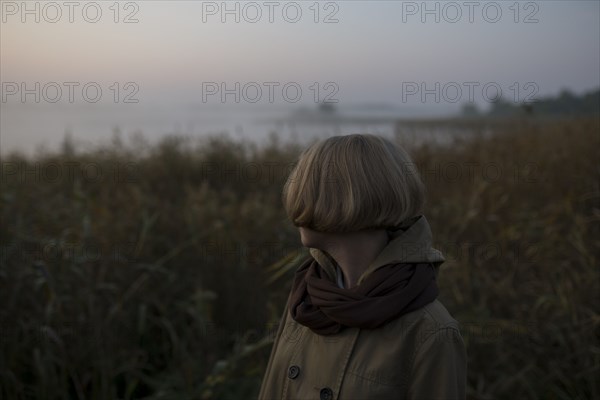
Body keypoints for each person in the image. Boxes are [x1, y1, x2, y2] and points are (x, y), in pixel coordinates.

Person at [258, 134, 467, 400]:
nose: (295, 207)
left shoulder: (430, 332)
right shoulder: (306, 299)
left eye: (307, 192)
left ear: (347, 200)